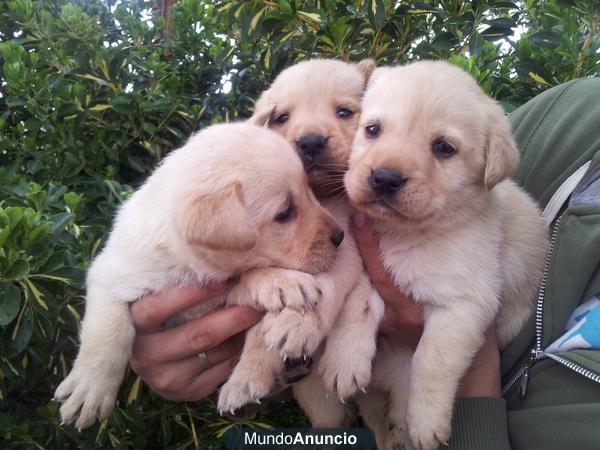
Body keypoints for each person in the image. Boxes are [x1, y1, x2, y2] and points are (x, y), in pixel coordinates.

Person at [130, 77, 600, 449]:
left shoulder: (483, 174)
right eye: (373, 130)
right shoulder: (569, 118)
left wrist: (461, 391)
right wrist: (212, 343)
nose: (387, 165)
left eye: (442, 148)